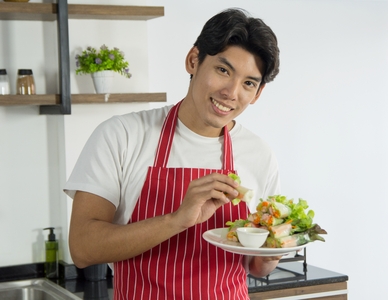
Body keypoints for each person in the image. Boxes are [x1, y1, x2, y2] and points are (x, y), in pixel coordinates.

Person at [65, 8, 281, 299]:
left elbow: (254, 266)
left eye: (248, 83)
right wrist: (177, 219)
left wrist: (271, 254)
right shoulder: (122, 136)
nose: (231, 92)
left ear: (257, 94)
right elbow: (82, 249)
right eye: (223, 70)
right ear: (194, 60)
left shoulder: (259, 154)